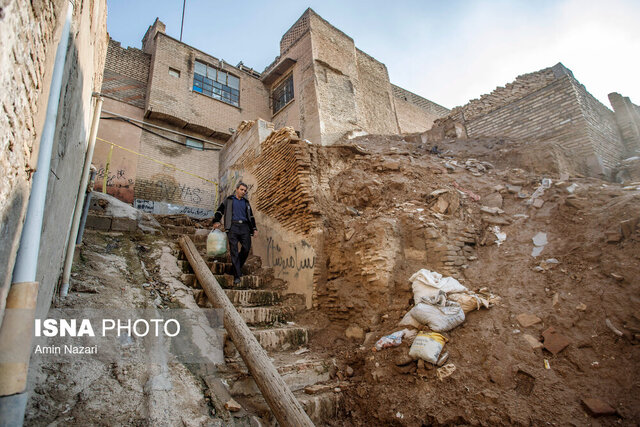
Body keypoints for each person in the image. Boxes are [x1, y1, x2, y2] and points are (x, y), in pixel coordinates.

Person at [212, 182, 257, 284]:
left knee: (246, 248)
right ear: (237, 189)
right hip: (233, 227)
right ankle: (237, 274)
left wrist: (254, 228)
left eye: (245, 190)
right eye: (241, 189)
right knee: (234, 251)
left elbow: (251, 216)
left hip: (245, 227)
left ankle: (234, 269)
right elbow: (220, 211)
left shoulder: (246, 202)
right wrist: (216, 221)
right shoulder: (229, 200)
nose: (243, 192)